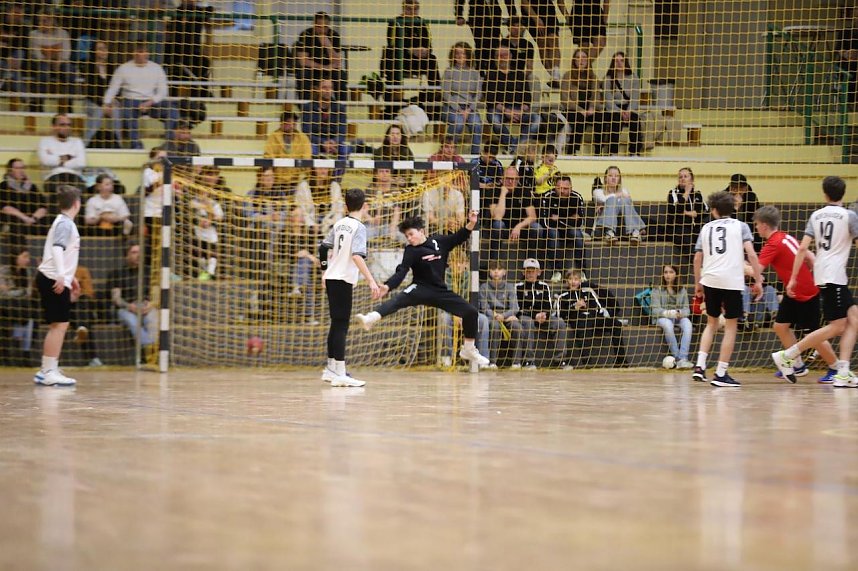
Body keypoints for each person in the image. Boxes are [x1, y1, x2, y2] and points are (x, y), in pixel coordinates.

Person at [355, 211, 491, 368]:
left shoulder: (439, 241)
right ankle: (370, 318)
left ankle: (468, 349)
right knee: (398, 299)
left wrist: (472, 222)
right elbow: (401, 272)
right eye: (407, 236)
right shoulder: (411, 251)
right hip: (420, 287)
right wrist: (387, 286)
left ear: (422, 231)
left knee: (471, 312)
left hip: (440, 291)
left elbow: (459, 236)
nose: (410, 238)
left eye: (411, 234)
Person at [772, 176, 858, 387]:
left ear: (824, 194)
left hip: (822, 273)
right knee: (837, 326)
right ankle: (789, 355)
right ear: (843, 193)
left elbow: (802, 248)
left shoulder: (816, 216)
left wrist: (792, 278)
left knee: (854, 318)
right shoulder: (849, 216)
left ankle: (843, 370)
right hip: (834, 275)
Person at [753, 205, 839, 383]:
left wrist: (734, 267)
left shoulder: (773, 244)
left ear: (764, 225)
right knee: (780, 326)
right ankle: (797, 365)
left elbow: (757, 270)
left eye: (756, 224)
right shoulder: (785, 237)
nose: (755, 227)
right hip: (797, 288)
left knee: (814, 335)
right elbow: (809, 255)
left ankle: (835, 368)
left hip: (802, 291)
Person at [691, 190, 763, 387]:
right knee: (731, 327)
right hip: (731, 281)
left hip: (710, 279)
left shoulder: (705, 228)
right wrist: (758, 280)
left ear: (713, 210)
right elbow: (752, 254)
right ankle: (721, 373)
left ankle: (699, 366)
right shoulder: (741, 227)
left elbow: (697, 258)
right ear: (732, 208)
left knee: (711, 323)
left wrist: (698, 283)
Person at [318, 188, 381, 386]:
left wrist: (324, 271)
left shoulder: (339, 224)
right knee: (341, 324)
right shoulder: (359, 227)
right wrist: (371, 279)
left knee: (336, 323)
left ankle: (331, 369)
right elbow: (356, 255)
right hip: (342, 279)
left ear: (346, 206)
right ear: (365, 206)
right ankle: (340, 373)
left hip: (332, 278)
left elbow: (322, 247)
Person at [33, 185, 82, 386]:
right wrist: (62, 274)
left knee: (58, 325)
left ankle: (46, 369)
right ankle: (49, 371)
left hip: (53, 276)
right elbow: (57, 248)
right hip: (54, 277)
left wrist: (71, 275)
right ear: (77, 204)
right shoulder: (66, 224)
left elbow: (62, 252)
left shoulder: (63, 222)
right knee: (59, 326)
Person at [103, 42, 179, 150]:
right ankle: (136, 146)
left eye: (143, 52)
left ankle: (168, 144)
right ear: (133, 53)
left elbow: (163, 91)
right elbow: (113, 88)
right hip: (130, 100)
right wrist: (107, 102)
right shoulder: (123, 68)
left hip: (151, 102)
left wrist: (151, 102)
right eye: (137, 52)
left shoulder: (156, 68)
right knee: (128, 114)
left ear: (147, 53)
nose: (140, 55)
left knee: (173, 112)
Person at [483, 41, 540, 154]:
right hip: (500, 110)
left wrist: (519, 111)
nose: (502, 58)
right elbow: (490, 99)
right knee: (493, 118)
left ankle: (515, 147)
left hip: (519, 110)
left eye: (504, 55)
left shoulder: (519, 74)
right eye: (498, 55)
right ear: (495, 58)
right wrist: (507, 111)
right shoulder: (490, 75)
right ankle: (515, 146)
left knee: (537, 119)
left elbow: (527, 96)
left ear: (510, 56)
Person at [515, 258, 567, 369]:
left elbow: (548, 306)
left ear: (539, 272)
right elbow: (518, 308)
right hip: (526, 316)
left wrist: (545, 315)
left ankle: (560, 360)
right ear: (523, 272)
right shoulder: (518, 287)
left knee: (560, 323)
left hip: (543, 317)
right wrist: (535, 315)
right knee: (528, 324)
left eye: (533, 271)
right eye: (528, 271)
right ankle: (528, 361)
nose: (530, 274)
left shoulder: (544, 286)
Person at [539, 174, 587, 282]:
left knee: (577, 234)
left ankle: (581, 271)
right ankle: (557, 271)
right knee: (553, 233)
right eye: (559, 188)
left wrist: (559, 219)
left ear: (571, 188)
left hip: (570, 231)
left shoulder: (577, 198)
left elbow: (580, 223)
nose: (562, 191)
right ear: (554, 187)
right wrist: (570, 219)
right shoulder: (547, 197)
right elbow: (546, 223)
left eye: (565, 188)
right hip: (553, 231)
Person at [108, 241, 157, 348]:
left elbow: (156, 294)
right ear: (127, 255)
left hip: (146, 307)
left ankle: (150, 351)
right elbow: (116, 299)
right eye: (134, 252)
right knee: (132, 321)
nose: (138, 255)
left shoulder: (150, 272)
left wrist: (151, 304)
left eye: (140, 252)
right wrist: (129, 306)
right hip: (126, 308)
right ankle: (149, 348)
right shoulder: (117, 273)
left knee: (153, 320)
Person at [381, 0, 441, 86]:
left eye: (415, 9)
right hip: (401, 59)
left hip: (418, 59)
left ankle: (435, 94)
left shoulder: (423, 23)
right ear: (403, 9)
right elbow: (392, 44)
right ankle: (393, 94)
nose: (412, 12)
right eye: (409, 9)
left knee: (432, 59)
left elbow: (429, 45)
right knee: (391, 56)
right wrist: (410, 50)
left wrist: (425, 51)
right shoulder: (395, 22)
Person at [441, 42, 483, 156]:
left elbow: (478, 94)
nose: (460, 56)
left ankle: (475, 158)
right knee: (458, 122)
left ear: (468, 55)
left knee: (477, 124)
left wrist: (469, 110)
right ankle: (447, 152)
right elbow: (446, 94)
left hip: (470, 108)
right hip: (451, 107)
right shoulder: (449, 72)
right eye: (457, 53)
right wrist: (459, 109)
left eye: (463, 53)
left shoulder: (475, 73)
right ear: (453, 55)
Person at [479, 261, 524, 368]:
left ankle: (516, 362)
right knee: (495, 326)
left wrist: (504, 316)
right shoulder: (484, 287)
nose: (496, 272)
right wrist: (495, 316)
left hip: (506, 317)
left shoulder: (509, 287)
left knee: (517, 327)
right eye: (493, 269)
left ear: (504, 272)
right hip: (491, 317)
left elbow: (514, 308)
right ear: (489, 272)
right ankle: (492, 362)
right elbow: (484, 308)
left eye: (499, 269)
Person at [560, 48, 604, 155]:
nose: (581, 60)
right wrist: (580, 110)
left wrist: (592, 108)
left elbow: (596, 96)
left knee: (601, 118)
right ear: (574, 61)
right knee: (579, 118)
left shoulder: (593, 78)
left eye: (584, 57)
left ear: (588, 60)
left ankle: (598, 151)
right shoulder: (568, 76)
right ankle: (573, 150)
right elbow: (564, 98)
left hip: (590, 110)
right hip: (573, 109)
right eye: (578, 57)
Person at [294, 11, 346, 101]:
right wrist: (324, 67)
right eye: (319, 26)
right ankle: (305, 108)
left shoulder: (334, 35)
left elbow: (337, 61)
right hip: (312, 69)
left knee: (341, 76)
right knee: (303, 75)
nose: (322, 30)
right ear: (314, 24)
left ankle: (341, 109)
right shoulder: (306, 34)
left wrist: (327, 44)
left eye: (325, 27)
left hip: (329, 70)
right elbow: (303, 61)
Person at [0, 243, 37, 366]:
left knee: (29, 310)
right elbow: (3, 293)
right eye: (25, 256)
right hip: (5, 306)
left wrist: (15, 291)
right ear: (16, 257)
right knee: (23, 308)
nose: (28, 260)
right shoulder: (4, 271)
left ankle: (25, 353)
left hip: (19, 306)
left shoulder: (26, 272)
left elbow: (29, 292)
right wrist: (19, 292)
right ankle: (17, 352)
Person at [651, 264, 694, 369]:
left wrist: (680, 312)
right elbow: (655, 310)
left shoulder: (682, 290)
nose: (668, 275)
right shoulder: (657, 289)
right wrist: (668, 313)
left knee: (688, 324)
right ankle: (678, 358)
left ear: (676, 274)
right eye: (665, 272)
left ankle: (683, 358)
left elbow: (687, 309)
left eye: (671, 272)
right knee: (668, 324)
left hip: (678, 317)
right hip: (662, 318)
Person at [454, 0, 512, 74]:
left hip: (494, 15)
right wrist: (459, 15)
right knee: (481, 45)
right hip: (478, 16)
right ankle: (480, 72)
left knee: (493, 46)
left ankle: (492, 73)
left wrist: (512, 13)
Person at [602, 51, 643, 156]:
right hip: (613, 108)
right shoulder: (607, 79)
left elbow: (635, 98)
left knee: (635, 120)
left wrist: (628, 111)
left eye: (622, 61)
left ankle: (634, 152)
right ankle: (613, 153)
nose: (619, 63)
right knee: (615, 120)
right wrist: (620, 111)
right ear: (612, 63)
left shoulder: (634, 78)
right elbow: (608, 99)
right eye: (616, 61)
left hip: (629, 107)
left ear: (626, 62)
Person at [593, 165, 645, 244]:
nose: (613, 178)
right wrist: (617, 196)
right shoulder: (598, 192)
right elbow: (604, 199)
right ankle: (609, 232)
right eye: (610, 175)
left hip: (622, 230)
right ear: (605, 178)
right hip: (601, 229)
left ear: (619, 179)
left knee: (626, 200)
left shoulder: (624, 191)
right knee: (612, 200)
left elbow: (628, 204)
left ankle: (635, 231)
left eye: (616, 176)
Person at [302, 77, 348, 165]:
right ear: (317, 89)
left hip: (334, 143)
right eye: (324, 87)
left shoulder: (340, 108)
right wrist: (323, 142)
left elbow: (342, 133)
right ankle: (313, 177)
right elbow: (306, 133)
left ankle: (336, 178)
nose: (327, 90)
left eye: (330, 88)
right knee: (311, 149)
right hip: (315, 142)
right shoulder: (308, 108)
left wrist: (333, 142)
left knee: (345, 149)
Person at [80, 40, 118, 147]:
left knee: (117, 112)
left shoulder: (112, 67)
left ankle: (118, 144)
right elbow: (89, 91)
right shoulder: (88, 67)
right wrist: (103, 104)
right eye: (99, 49)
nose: (103, 51)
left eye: (104, 49)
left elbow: (116, 88)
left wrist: (110, 102)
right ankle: (86, 145)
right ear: (94, 51)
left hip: (110, 102)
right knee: (98, 112)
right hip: (92, 102)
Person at [263, 110, 312, 190]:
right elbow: (268, 156)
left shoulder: (303, 138)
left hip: (295, 180)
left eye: (294, 123)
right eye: (289, 123)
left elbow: (307, 158)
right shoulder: (273, 137)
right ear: (281, 124)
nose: (292, 126)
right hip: (276, 181)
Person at [667, 167, 707, 263]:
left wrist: (691, 213)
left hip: (695, 228)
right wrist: (686, 192)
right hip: (679, 228)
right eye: (680, 177)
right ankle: (696, 264)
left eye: (686, 176)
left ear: (692, 179)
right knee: (686, 236)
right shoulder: (673, 193)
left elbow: (705, 211)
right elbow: (676, 211)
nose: (683, 179)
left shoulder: (697, 194)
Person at [520, 0, 565, 86]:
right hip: (531, 11)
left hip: (548, 9)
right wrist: (536, 18)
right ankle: (551, 74)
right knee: (542, 43)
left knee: (553, 39)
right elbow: (524, 2)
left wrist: (566, 15)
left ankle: (556, 74)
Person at [0, 158, 49, 237]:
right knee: (15, 224)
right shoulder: (4, 185)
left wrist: (33, 218)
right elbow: (5, 207)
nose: (21, 170)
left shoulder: (32, 186)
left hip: (32, 220)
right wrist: (25, 218)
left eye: (22, 168)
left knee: (51, 222)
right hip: (16, 219)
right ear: (9, 170)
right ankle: (22, 249)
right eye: (17, 168)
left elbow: (42, 206)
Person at [38, 113, 87, 190]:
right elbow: (45, 161)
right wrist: (69, 158)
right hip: (53, 178)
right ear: (54, 126)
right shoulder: (45, 141)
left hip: (74, 177)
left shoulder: (77, 141)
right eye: (62, 125)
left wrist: (58, 161)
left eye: (69, 125)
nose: (66, 127)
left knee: (80, 189)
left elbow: (81, 162)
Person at [725, 173, 761, 251]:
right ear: (731, 187)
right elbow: (724, 218)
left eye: (741, 188)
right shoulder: (724, 197)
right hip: (729, 229)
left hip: (747, 229)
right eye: (735, 188)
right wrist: (735, 208)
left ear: (745, 188)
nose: (738, 191)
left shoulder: (751, 197)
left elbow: (755, 217)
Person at [372, 124, 415, 189]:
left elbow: (409, 173)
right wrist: (391, 180)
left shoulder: (407, 152)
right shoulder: (379, 152)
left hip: (401, 185)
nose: (395, 136)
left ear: (401, 137)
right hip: (382, 184)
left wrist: (403, 180)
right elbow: (376, 173)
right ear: (387, 137)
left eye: (398, 134)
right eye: (392, 134)